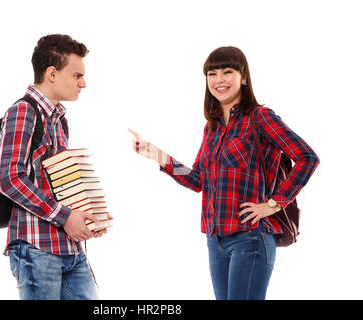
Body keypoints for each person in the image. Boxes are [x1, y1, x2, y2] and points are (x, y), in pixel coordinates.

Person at [129, 46, 320, 300]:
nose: (219, 80)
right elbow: (199, 180)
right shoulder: (213, 128)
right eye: (212, 73)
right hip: (215, 239)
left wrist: (273, 205)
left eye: (227, 72)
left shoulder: (260, 117)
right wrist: (158, 156)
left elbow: (307, 157)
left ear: (243, 77)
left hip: (251, 238)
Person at [0, 34, 110, 300]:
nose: (83, 83)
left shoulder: (59, 119)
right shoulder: (24, 112)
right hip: (38, 249)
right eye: (76, 75)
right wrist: (65, 217)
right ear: (51, 73)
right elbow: (10, 178)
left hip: (71, 249)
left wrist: (87, 217)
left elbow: (57, 183)